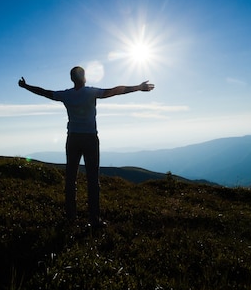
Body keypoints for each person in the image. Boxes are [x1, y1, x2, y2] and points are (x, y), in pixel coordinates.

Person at [18, 66, 154, 228]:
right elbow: (116, 91)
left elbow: (45, 92)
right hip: (90, 138)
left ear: (72, 79)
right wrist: (138, 88)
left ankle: (71, 218)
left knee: (70, 178)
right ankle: (94, 220)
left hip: (73, 139)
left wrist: (26, 87)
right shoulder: (91, 92)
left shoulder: (66, 95)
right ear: (84, 77)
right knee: (92, 180)